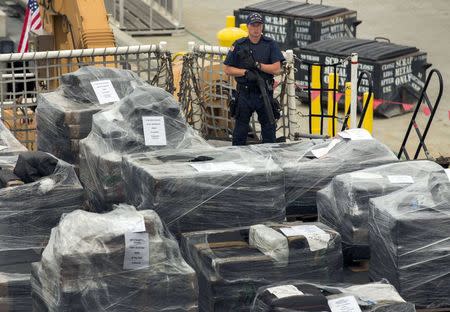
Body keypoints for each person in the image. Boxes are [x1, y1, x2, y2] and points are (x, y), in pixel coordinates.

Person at [224, 12, 285, 146]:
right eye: (253, 25)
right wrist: (245, 72)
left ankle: (270, 159)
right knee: (240, 132)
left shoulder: (270, 44)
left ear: (262, 27)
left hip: (264, 93)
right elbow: (228, 69)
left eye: (258, 25)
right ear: (248, 26)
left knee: (269, 131)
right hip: (244, 94)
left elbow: (276, 68)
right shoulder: (239, 44)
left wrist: (258, 65)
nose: (256, 29)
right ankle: (238, 162)